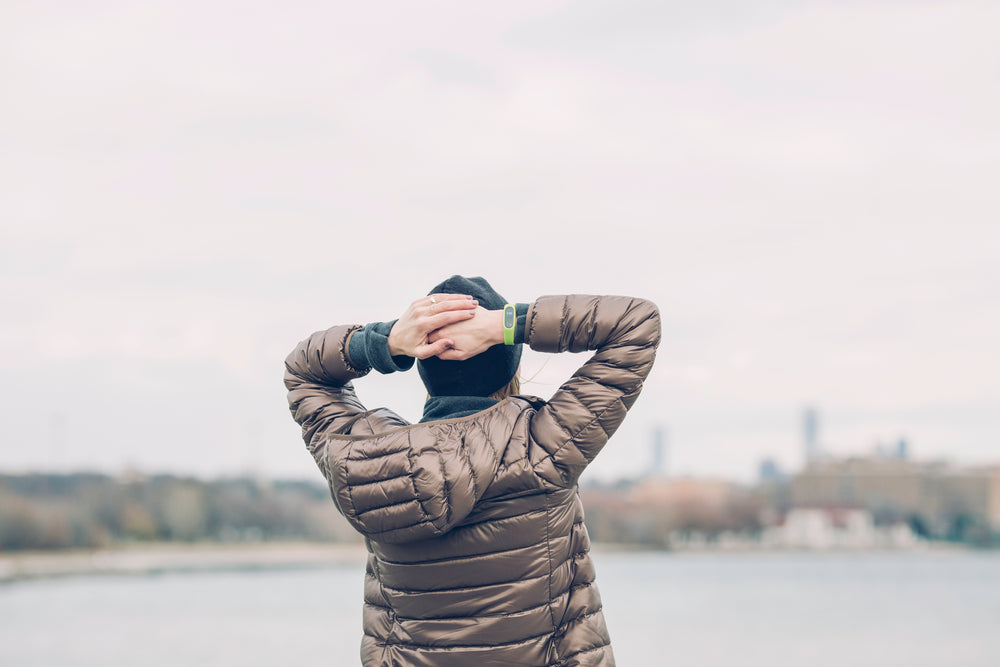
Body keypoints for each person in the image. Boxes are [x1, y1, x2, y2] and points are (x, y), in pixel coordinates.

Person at [284, 275, 660, 667]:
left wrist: (387, 341)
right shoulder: (544, 446)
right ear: (506, 363)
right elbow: (636, 322)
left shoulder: (366, 460)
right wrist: (505, 325)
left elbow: (304, 372)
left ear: (424, 366)